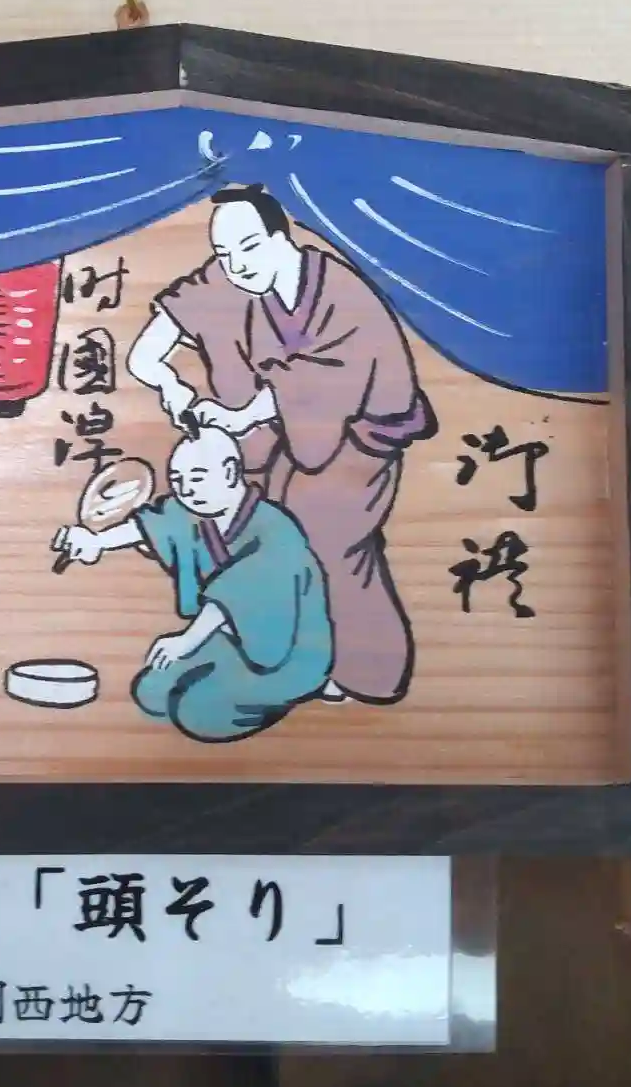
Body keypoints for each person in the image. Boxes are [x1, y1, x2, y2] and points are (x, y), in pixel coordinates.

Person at [126, 184, 435, 704]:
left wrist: (241, 415)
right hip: (287, 442)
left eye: (249, 247)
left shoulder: (342, 294)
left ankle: (368, 673)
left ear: (280, 236)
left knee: (327, 541)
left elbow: (327, 381)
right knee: (266, 535)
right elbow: (145, 355)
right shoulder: (228, 281)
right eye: (225, 253)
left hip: (360, 439)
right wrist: (171, 386)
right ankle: (284, 655)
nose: (237, 265)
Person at [51, 428, 333, 742]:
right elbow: (154, 524)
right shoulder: (195, 513)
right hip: (227, 640)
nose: (186, 491)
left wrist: (187, 641)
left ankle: (289, 695)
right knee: (152, 692)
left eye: (197, 478)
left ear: (230, 472)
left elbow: (242, 592)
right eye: (178, 480)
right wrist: (97, 541)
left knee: (197, 712)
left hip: (285, 654)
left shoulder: (275, 529)